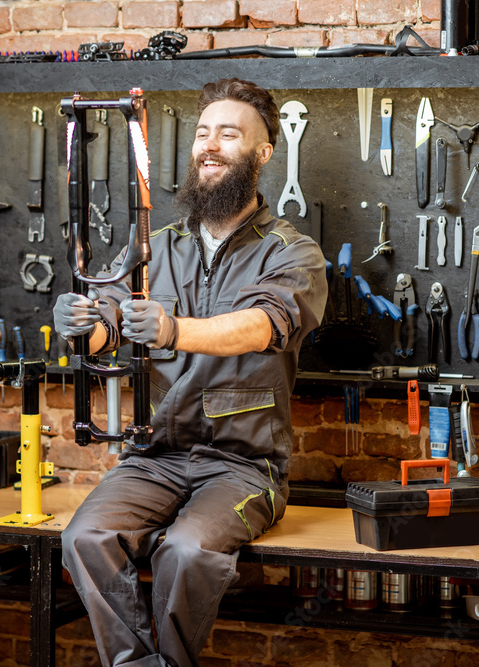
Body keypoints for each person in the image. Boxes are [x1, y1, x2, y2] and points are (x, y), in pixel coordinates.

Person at [52, 78, 328, 667]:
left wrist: (175, 330)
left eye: (229, 134)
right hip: (155, 455)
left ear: (262, 153)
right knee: (83, 538)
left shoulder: (291, 252)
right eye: (203, 133)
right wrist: (82, 323)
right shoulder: (154, 248)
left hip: (244, 466)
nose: (210, 145)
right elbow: (111, 324)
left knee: (187, 549)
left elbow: (265, 324)